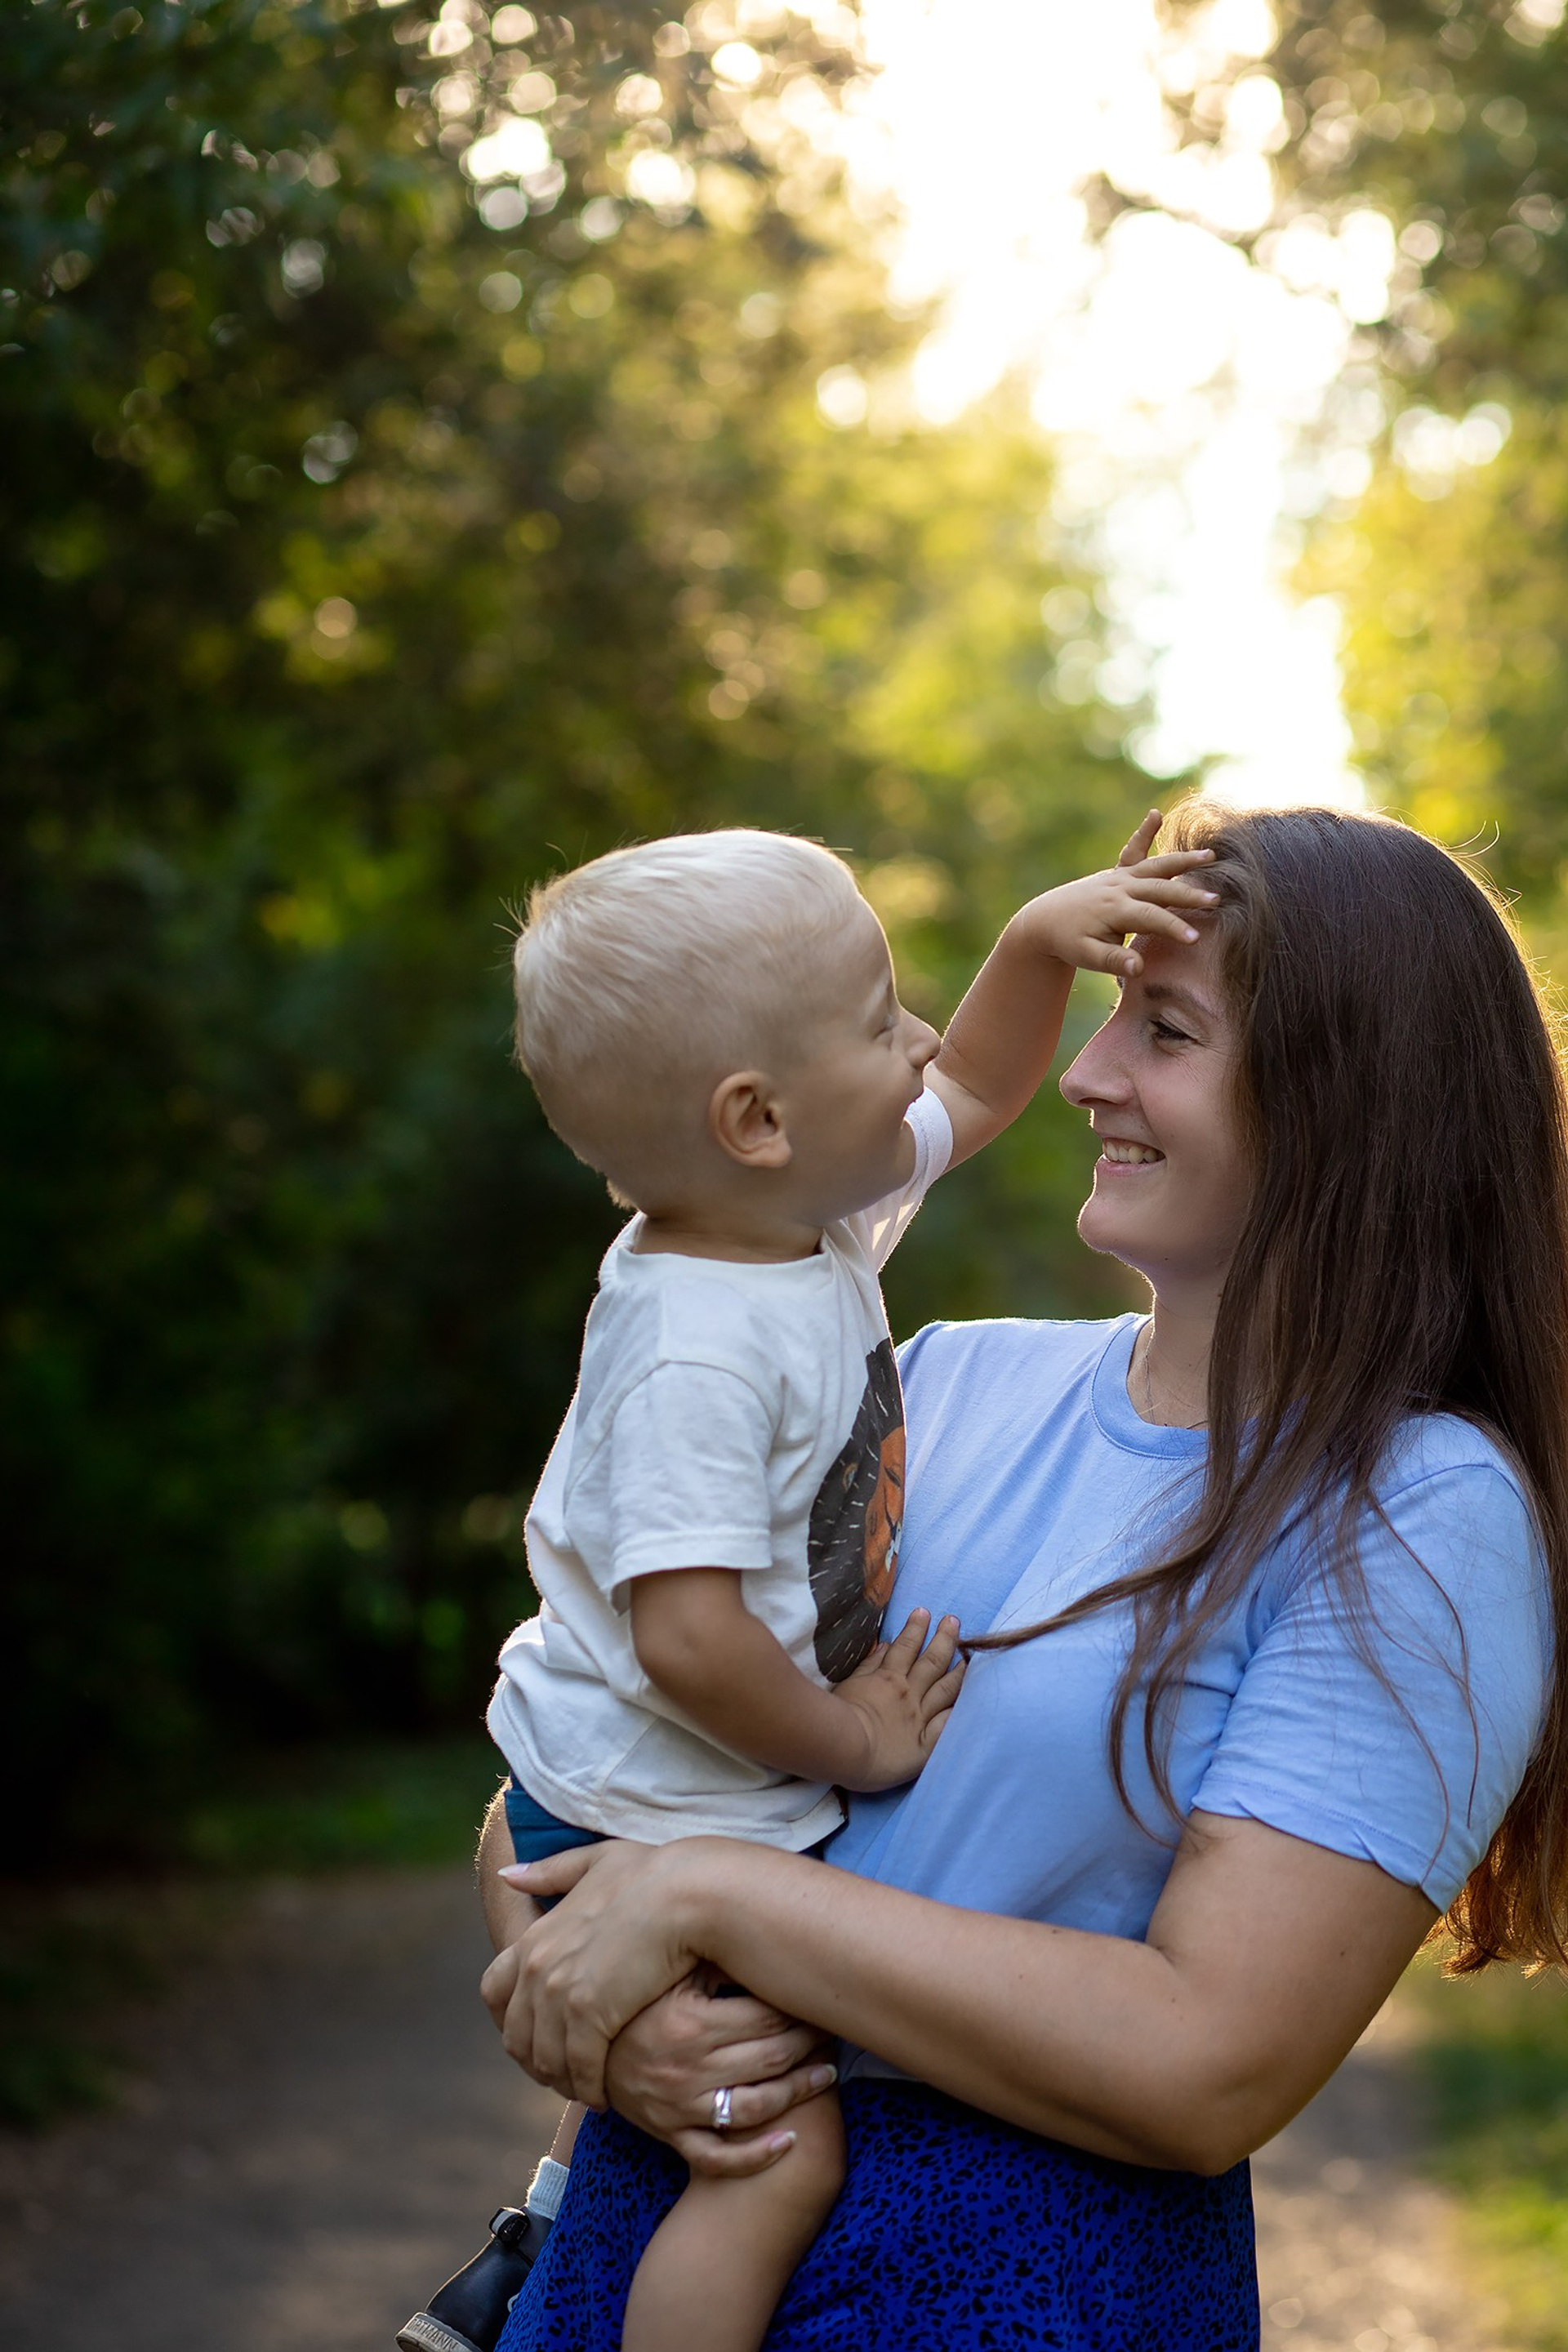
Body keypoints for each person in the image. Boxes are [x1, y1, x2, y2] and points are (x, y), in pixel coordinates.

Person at [476, 802, 1568, 2352]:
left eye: (1166, 1029)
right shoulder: (939, 1379)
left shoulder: (1416, 1509)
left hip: (1023, 2284)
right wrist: (607, 2018)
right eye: (1110, 1011)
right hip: (657, 2234)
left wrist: (709, 1896)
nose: (1087, 1072)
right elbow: (603, 1728)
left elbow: (1212, 2067)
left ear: (1349, 1103)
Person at [399, 822, 1219, 2352]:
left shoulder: (800, 1218)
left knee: (707, 2107)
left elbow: (973, 1090)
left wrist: (1037, 944)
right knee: (775, 2154)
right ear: (756, 1116)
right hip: (641, 1796)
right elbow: (692, 1636)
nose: (915, 1038)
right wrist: (855, 1739)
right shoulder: (697, 1344)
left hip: (668, 1790)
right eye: (873, 1017)